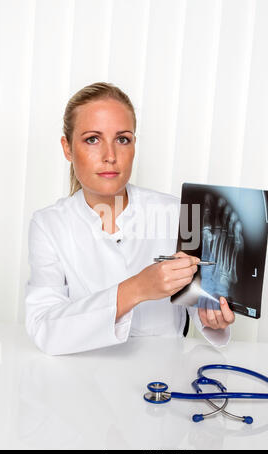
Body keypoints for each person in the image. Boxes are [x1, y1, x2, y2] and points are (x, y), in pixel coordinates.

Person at [25, 82, 235, 355]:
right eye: (92, 139)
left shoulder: (178, 213)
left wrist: (212, 319)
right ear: (67, 148)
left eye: (122, 139)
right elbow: (44, 328)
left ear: (134, 145)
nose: (110, 156)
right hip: (82, 377)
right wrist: (137, 288)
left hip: (163, 376)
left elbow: (198, 302)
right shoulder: (48, 225)